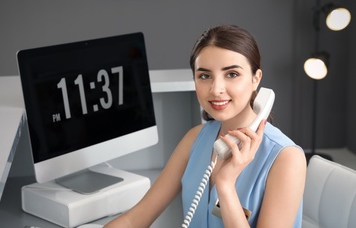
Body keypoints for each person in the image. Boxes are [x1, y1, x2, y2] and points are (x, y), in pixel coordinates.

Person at [105, 25, 306, 227]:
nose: (216, 89)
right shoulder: (195, 139)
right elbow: (136, 219)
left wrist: (226, 185)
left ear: (256, 79)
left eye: (232, 74)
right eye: (204, 76)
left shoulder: (286, 159)